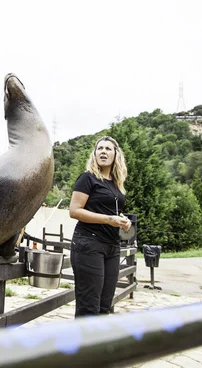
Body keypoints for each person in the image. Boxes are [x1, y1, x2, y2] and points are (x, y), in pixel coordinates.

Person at [69, 136, 131, 317]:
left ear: (116, 155)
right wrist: (108, 219)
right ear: (94, 154)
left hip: (112, 246)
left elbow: (110, 211)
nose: (103, 152)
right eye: (100, 149)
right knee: (89, 307)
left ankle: (97, 345)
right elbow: (74, 211)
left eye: (108, 149)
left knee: (105, 307)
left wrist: (122, 220)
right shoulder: (87, 178)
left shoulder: (116, 184)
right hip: (89, 244)